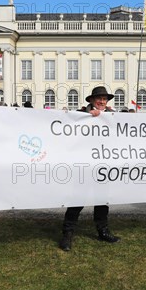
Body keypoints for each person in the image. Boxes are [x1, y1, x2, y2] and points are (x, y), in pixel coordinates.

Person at [59, 86, 121, 251]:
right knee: (77, 201)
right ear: (92, 100)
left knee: (102, 200)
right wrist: (88, 116)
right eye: (99, 99)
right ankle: (67, 234)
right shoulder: (82, 113)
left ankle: (103, 231)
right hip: (84, 166)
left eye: (104, 99)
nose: (102, 101)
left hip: (103, 165)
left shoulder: (111, 116)